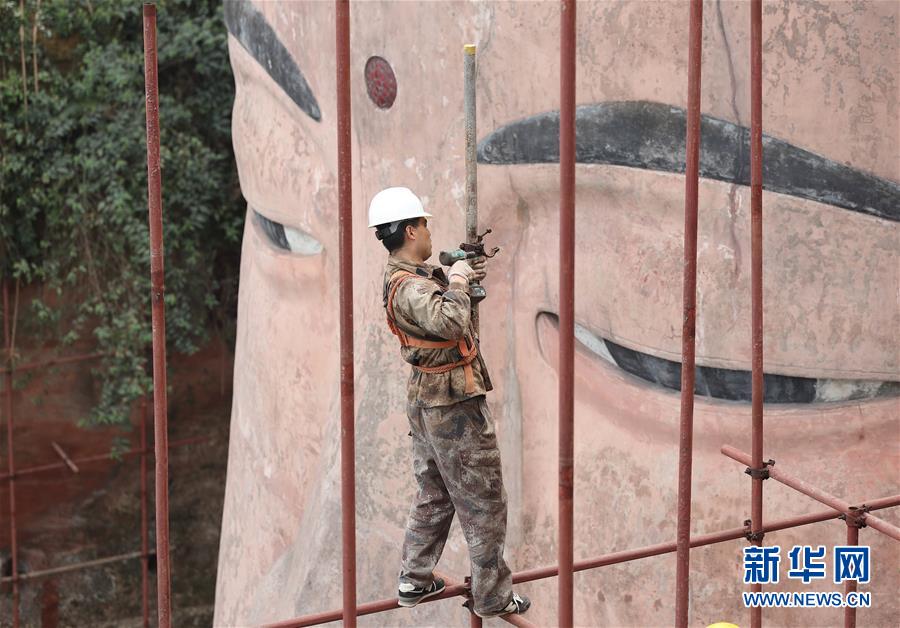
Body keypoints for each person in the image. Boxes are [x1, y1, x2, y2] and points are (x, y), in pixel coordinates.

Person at [369, 186, 531, 618]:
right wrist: (458, 280)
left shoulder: (409, 277)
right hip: (452, 404)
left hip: (429, 400)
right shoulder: (408, 287)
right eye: (424, 225)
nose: (428, 232)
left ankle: (414, 578)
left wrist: (462, 273)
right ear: (410, 230)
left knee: (436, 492)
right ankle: (492, 596)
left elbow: (442, 301)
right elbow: (451, 321)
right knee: (484, 499)